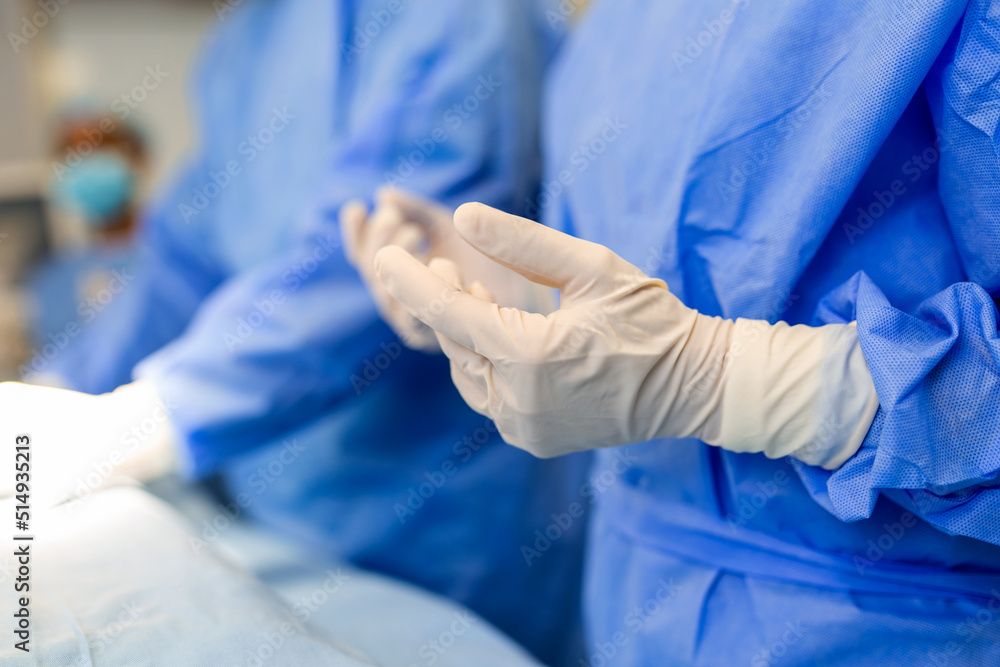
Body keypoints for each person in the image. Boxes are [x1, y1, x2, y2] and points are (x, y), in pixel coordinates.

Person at [368, 0, 1000, 664]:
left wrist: (738, 382)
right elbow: (652, 282)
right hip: (634, 608)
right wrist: (507, 291)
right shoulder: (613, 24)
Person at [2, 1, 590, 663]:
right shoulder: (248, 36)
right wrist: (58, 387)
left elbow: (372, 263)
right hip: (280, 509)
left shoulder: (456, 17)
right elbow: (185, 259)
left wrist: (155, 414)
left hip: (444, 519)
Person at [25, 111, 146, 360]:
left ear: (138, 157)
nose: (86, 160)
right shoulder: (53, 280)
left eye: (100, 147)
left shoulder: (179, 257)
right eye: (73, 154)